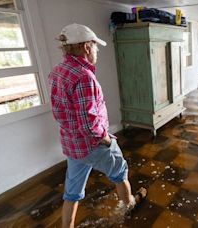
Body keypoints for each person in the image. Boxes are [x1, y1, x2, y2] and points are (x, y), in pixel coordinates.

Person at [48, 23, 146, 228]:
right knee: (120, 172)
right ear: (85, 47)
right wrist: (108, 139)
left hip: (72, 145)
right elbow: (89, 124)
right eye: (95, 46)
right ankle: (130, 204)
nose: (97, 51)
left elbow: (62, 112)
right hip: (92, 144)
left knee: (72, 192)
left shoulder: (58, 71)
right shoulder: (84, 77)